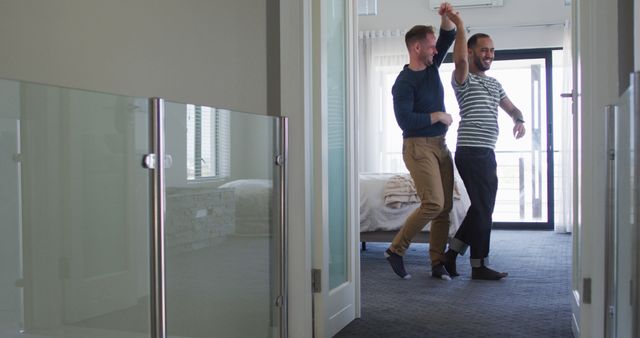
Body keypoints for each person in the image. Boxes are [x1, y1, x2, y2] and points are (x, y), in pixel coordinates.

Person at [443, 11, 526, 280]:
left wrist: (519, 120)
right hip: (471, 151)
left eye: (492, 50)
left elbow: (512, 108)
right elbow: (459, 59)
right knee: (482, 209)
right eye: (484, 50)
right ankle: (473, 263)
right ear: (471, 51)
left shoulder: (494, 83)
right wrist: (460, 25)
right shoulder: (464, 80)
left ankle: (457, 256)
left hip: (487, 153)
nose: (489, 54)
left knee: (482, 210)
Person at [385, 2, 459, 281]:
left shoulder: (431, 68)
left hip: (440, 145)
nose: (435, 50)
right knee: (434, 203)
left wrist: (446, 17)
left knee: (446, 208)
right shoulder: (403, 83)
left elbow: (448, 37)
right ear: (417, 48)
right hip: (418, 147)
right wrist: (438, 114)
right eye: (430, 46)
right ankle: (396, 249)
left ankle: (437, 262)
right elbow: (405, 121)